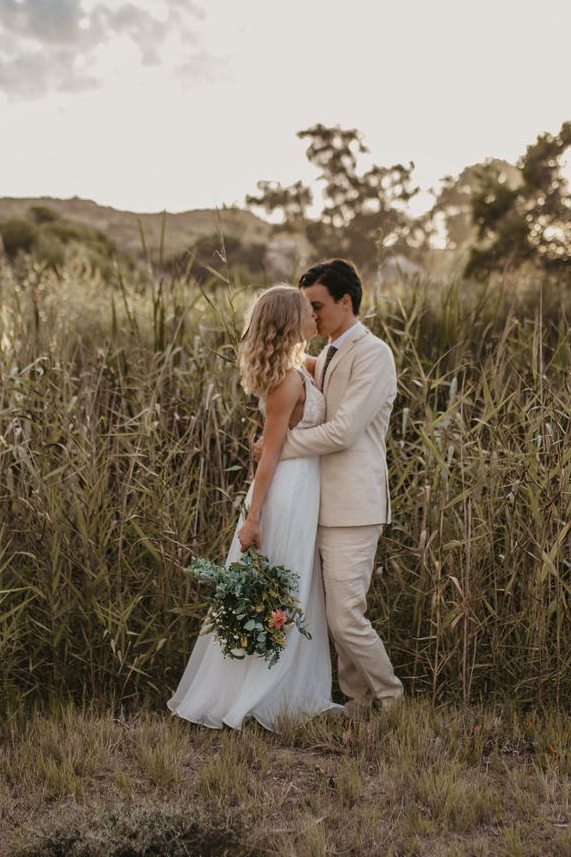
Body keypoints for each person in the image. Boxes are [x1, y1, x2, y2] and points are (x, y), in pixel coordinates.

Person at [168, 285, 339, 730]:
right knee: (281, 586)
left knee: (297, 585)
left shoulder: (303, 366)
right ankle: (259, 694)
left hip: (305, 490)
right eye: (307, 312)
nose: (315, 319)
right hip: (284, 494)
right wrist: (253, 517)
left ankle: (292, 690)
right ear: (289, 322)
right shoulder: (286, 380)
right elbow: (269, 458)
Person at [260, 258, 404, 718]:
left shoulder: (374, 354)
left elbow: (343, 432)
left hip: (355, 505)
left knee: (346, 617)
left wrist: (278, 447)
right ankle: (357, 704)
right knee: (332, 618)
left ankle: (391, 700)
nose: (313, 315)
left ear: (346, 302)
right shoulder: (325, 355)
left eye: (318, 305)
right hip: (316, 504)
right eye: (307, 307)